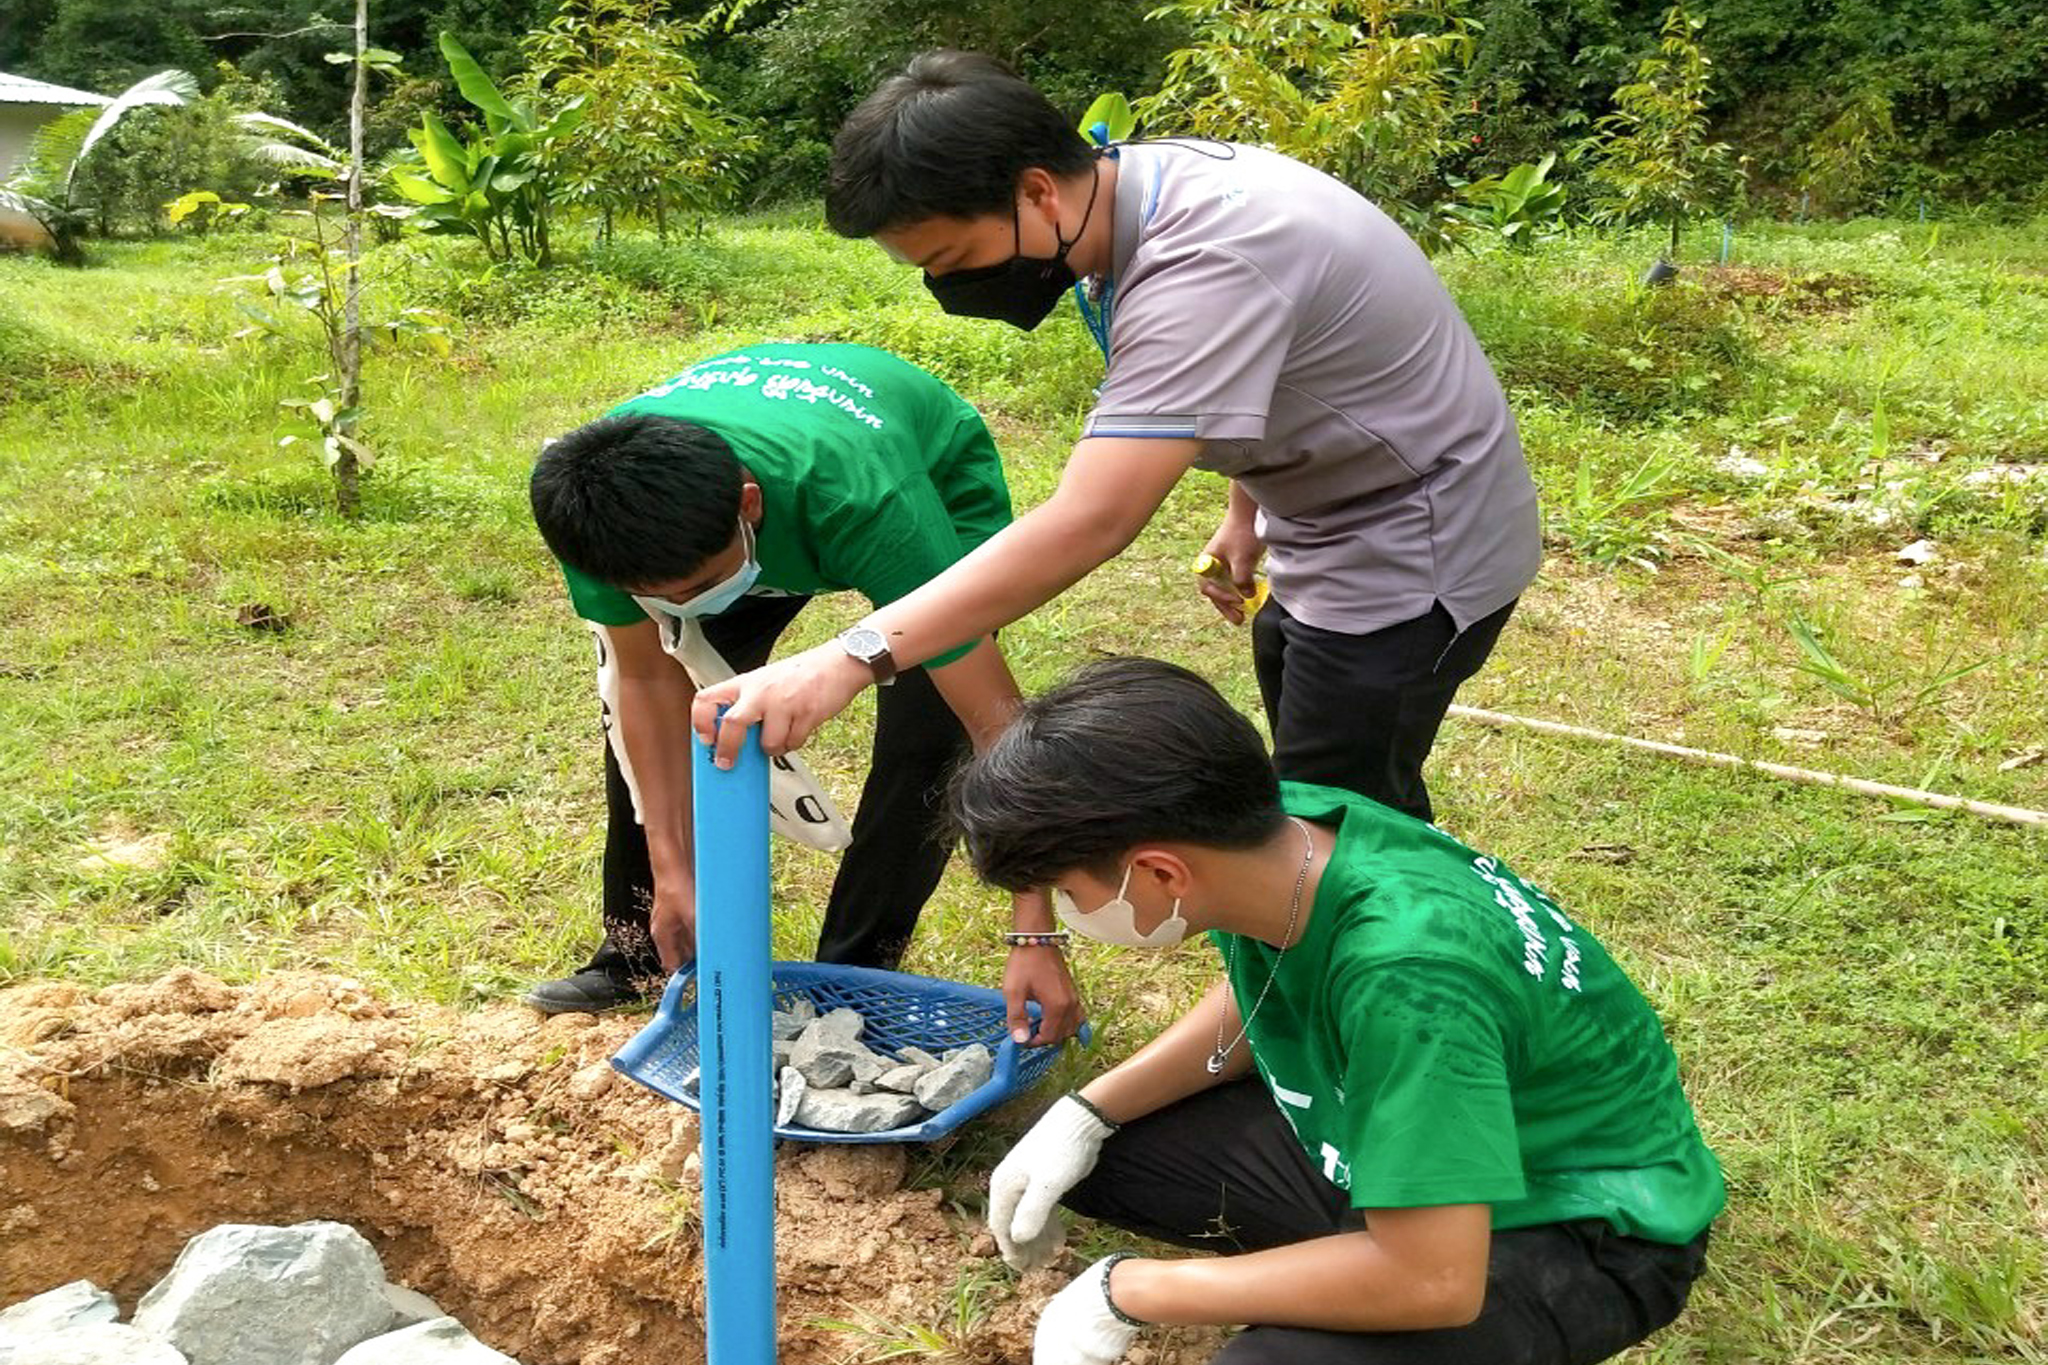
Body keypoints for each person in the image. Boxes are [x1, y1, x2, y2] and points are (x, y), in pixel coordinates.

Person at [691, 51, 1541, 829]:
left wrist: (851, 656)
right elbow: (1281, 360)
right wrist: (1248, 509)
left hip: (1415, 548)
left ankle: (1375, 974)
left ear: (1034, 192)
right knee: (1334, 763)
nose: (945, 285)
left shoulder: (1202, 263)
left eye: (953, 256)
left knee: (1331, 827)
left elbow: (1091, 520)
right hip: (1329, 516)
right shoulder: (1135, 184)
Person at [945, 657, 1724, 1365]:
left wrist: (1132, 1289)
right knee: (1108, 1156)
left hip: (1568, 1219)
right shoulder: (1288, 830)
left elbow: (1436, 1279)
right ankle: (1359, 1244)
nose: (1079, 913)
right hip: (1404, 1130)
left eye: (1073, 892)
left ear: (1159, 870)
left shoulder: (1408, 976)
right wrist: (1088, 1111)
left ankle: (1373, 1259)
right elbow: (1266, 984)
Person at [524, 341, 1079, 1044]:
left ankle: (851, 976)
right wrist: (672, 867)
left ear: (749, 505)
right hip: (745, 512)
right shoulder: (596, 513)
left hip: (918, 471)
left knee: (928, 735)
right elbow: (641, 681)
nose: (681, 606)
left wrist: (1033, 927)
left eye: (695, 590)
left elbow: (996, 727)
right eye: (656, 598)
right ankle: (640, 948)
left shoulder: (867, 498)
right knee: (665, 720)